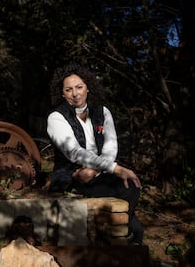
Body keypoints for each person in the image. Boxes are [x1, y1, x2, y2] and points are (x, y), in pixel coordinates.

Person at [46, 64, 144, 245]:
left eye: (79, 87)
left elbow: (111, 146)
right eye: (68, 90)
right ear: (62, 93)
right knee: (133, 223)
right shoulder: (56, 118)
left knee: (130, 183)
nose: (75, 94)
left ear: (88, 87)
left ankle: (124, 232)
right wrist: (113, 168)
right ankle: (127, 235)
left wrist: (97, 170)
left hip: (97, 173)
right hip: (72, 175)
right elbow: (73, 152)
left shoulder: (102, 111)